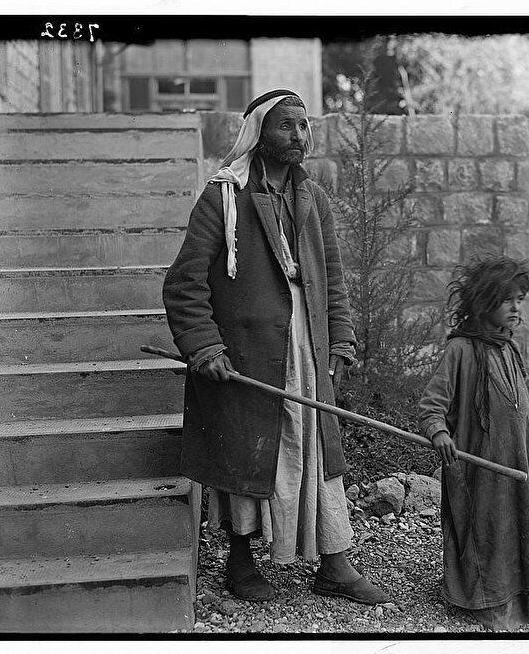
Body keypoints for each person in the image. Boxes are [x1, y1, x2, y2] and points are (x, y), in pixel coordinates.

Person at [163, 89, 388, 605]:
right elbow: (183, 284)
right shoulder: (223, 197)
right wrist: (205, 347)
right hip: (247, 356)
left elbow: (332, 277)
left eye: (304, 126)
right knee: (248, 456)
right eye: (287, 126)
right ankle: (240, 562)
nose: (299, 136)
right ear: (258, 133)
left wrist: (342, 338)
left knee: (313, 452)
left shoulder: (314, 199)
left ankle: (333, 563)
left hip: (307, 353)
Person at [418, 256, 529, 631]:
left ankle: (521, 593)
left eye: (519, 300)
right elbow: (432, 405)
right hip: (480, 466)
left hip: (517, 462)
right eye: (507, 300)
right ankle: (487, 601)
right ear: (483, 303)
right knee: (486, 528)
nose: (515, 308)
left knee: (520, 525)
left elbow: (526, 398)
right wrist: (439, 432)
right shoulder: (460, 351)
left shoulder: (508, 349)